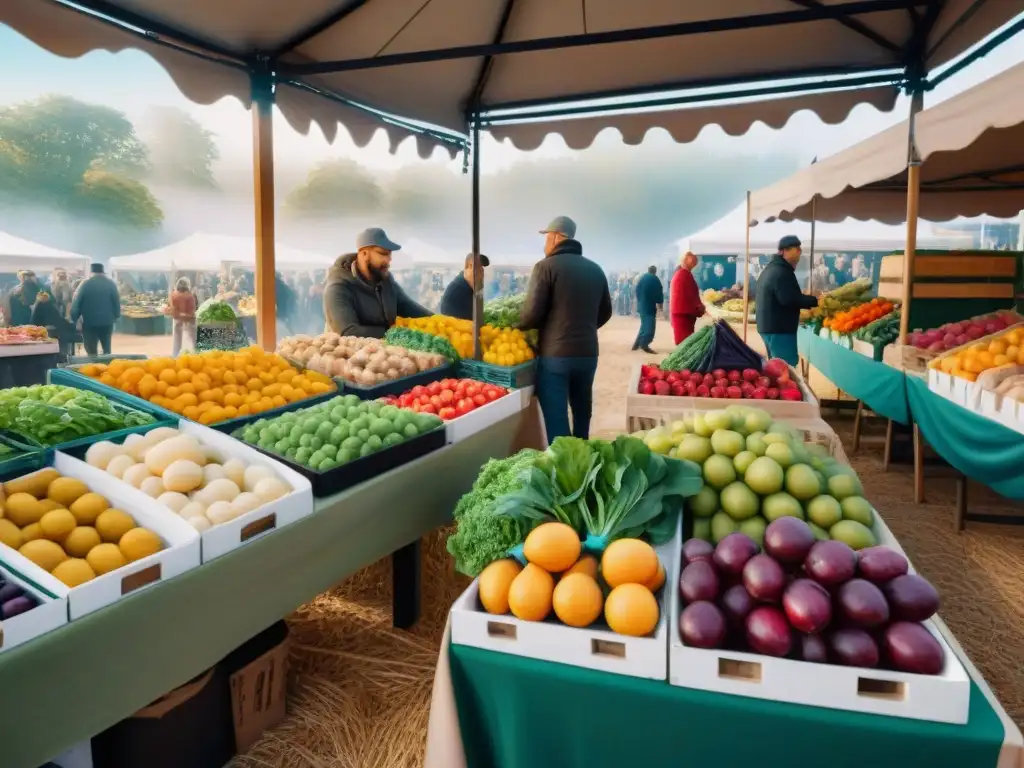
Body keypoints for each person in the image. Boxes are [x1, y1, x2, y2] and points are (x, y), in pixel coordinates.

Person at [520, 216, 612, 441]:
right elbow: (606, 312)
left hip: (555, 357)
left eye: (546, 238)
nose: (545, 245)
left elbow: (531, 314)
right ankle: (584, 464)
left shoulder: (545, 267)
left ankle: (563, 470)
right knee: (582, 414)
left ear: (554, 237)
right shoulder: (596, 269)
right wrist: (585, 326)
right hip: (588, 354)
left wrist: (518, 327)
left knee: (557, 419)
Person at [323, 227, 430, 338]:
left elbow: (410, 308)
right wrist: (395, 333)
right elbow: (348, 331)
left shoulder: (386, 282)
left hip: (387, 350)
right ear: (364, 254)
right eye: (383, 254)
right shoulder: (338, 287)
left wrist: (442, 321)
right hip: (346, 352)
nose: (389, 260)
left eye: (389, 254)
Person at [756, 235, 818, 365]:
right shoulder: (781, 271)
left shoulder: (772, 268)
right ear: (784, 251)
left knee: (775, 367)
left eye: (799, 249)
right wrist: (814, 301)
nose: (799, 252)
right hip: (779, 329)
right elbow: (788, 299)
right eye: (796, 248)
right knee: (785, 369)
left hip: (768, 327)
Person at [70, 262, 121, 357]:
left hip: (90, 322)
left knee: (91, 350)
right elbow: (117, 302)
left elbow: (76, 303)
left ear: (91, 272)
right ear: (103, 272)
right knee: (106, 348)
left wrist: (75, 319)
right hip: (107, 322)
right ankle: (106, 366)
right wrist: (116, 316)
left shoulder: (85, 284)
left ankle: (93, 367)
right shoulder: (111, 284)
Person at [440, 252, 490, 320]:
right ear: (470, 266)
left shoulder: (466, 284)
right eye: (479, 269)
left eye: (482, 269)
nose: (482, 275)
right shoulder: (457, 291)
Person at [670, 252, 706, 345]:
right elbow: (690, 296)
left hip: (683, 314)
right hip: (683, 315)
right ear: (686, 261)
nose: (695, 264)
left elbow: (691, 295)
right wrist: (699, 308)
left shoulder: (683, 274)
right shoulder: (683, 275)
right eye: (693, 262)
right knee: (685, 344)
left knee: (685, 343)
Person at [632, 265, 664, 353]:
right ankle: (644, 344)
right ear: (655, 271)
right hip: (649, 307)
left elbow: (637, 290)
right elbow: (659, 292)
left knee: (643, 326)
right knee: (650, 328)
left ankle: (636, 345)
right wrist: (660, 306)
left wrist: (640, 300)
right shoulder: (654, 279)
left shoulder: (642, 278)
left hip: (642, 305)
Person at [170, 277, 197, 356]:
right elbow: (192, 311)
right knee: (193, 341)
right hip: (190, 321)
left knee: (177, 341)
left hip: (177, 320)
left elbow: (172, 309)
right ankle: (195, 356)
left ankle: (175, 356)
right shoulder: (189, 296)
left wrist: (179, 314)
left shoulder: (174, 295)